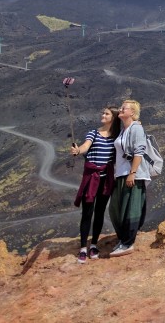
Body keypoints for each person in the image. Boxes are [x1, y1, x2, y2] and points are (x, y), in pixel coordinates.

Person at [71, 105, 121, 262]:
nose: (103, 115)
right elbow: (86, 146)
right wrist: (78, 150)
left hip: (106, 180)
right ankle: (83, 248)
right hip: (92, 178)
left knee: (99, 212)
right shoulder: (93, 133)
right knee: (87, 213)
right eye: (103, 112)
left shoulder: (117, 137)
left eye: (106, 114)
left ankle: (93, 244)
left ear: (113, 118)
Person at [108, 99, 151, 257]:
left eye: (123, 108)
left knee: (130, 208)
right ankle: (123, 238)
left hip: (132, 174)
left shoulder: (136, 129)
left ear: (132, 113)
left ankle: (128, 243)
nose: (120, 109)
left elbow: (139, 151)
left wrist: (132, 173)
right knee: (116, 209)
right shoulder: (123, 130)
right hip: (121, 174)